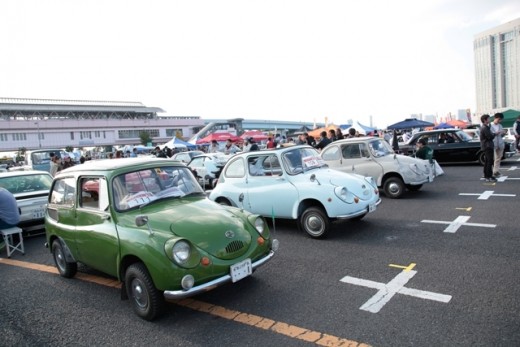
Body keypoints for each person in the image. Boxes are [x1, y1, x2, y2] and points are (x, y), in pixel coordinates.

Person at [479, 114, 496, 182]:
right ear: (485, 120)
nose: (490, 119)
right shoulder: (485, 128)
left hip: (486, 146)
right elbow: (490, 137)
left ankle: (486, 175)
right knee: (490, 161)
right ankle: (489, 176)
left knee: (487, 161)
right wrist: (494, 134)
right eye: (488, 118)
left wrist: (493, 134)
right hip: (487, 146)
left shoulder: (485, 127)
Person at [490, 112, 506, 177]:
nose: (499, 121)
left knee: (498, 158)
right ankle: (489, 173)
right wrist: (497, 133)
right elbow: (490, 135)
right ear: (495, 118)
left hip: (500, 143)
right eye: (499, 119)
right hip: (492, 143)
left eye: (500, 119)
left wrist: (503, 133)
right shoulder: (490, 125)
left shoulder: (500, 125)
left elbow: (501, 135)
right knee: (491, 158)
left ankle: (495, 171)